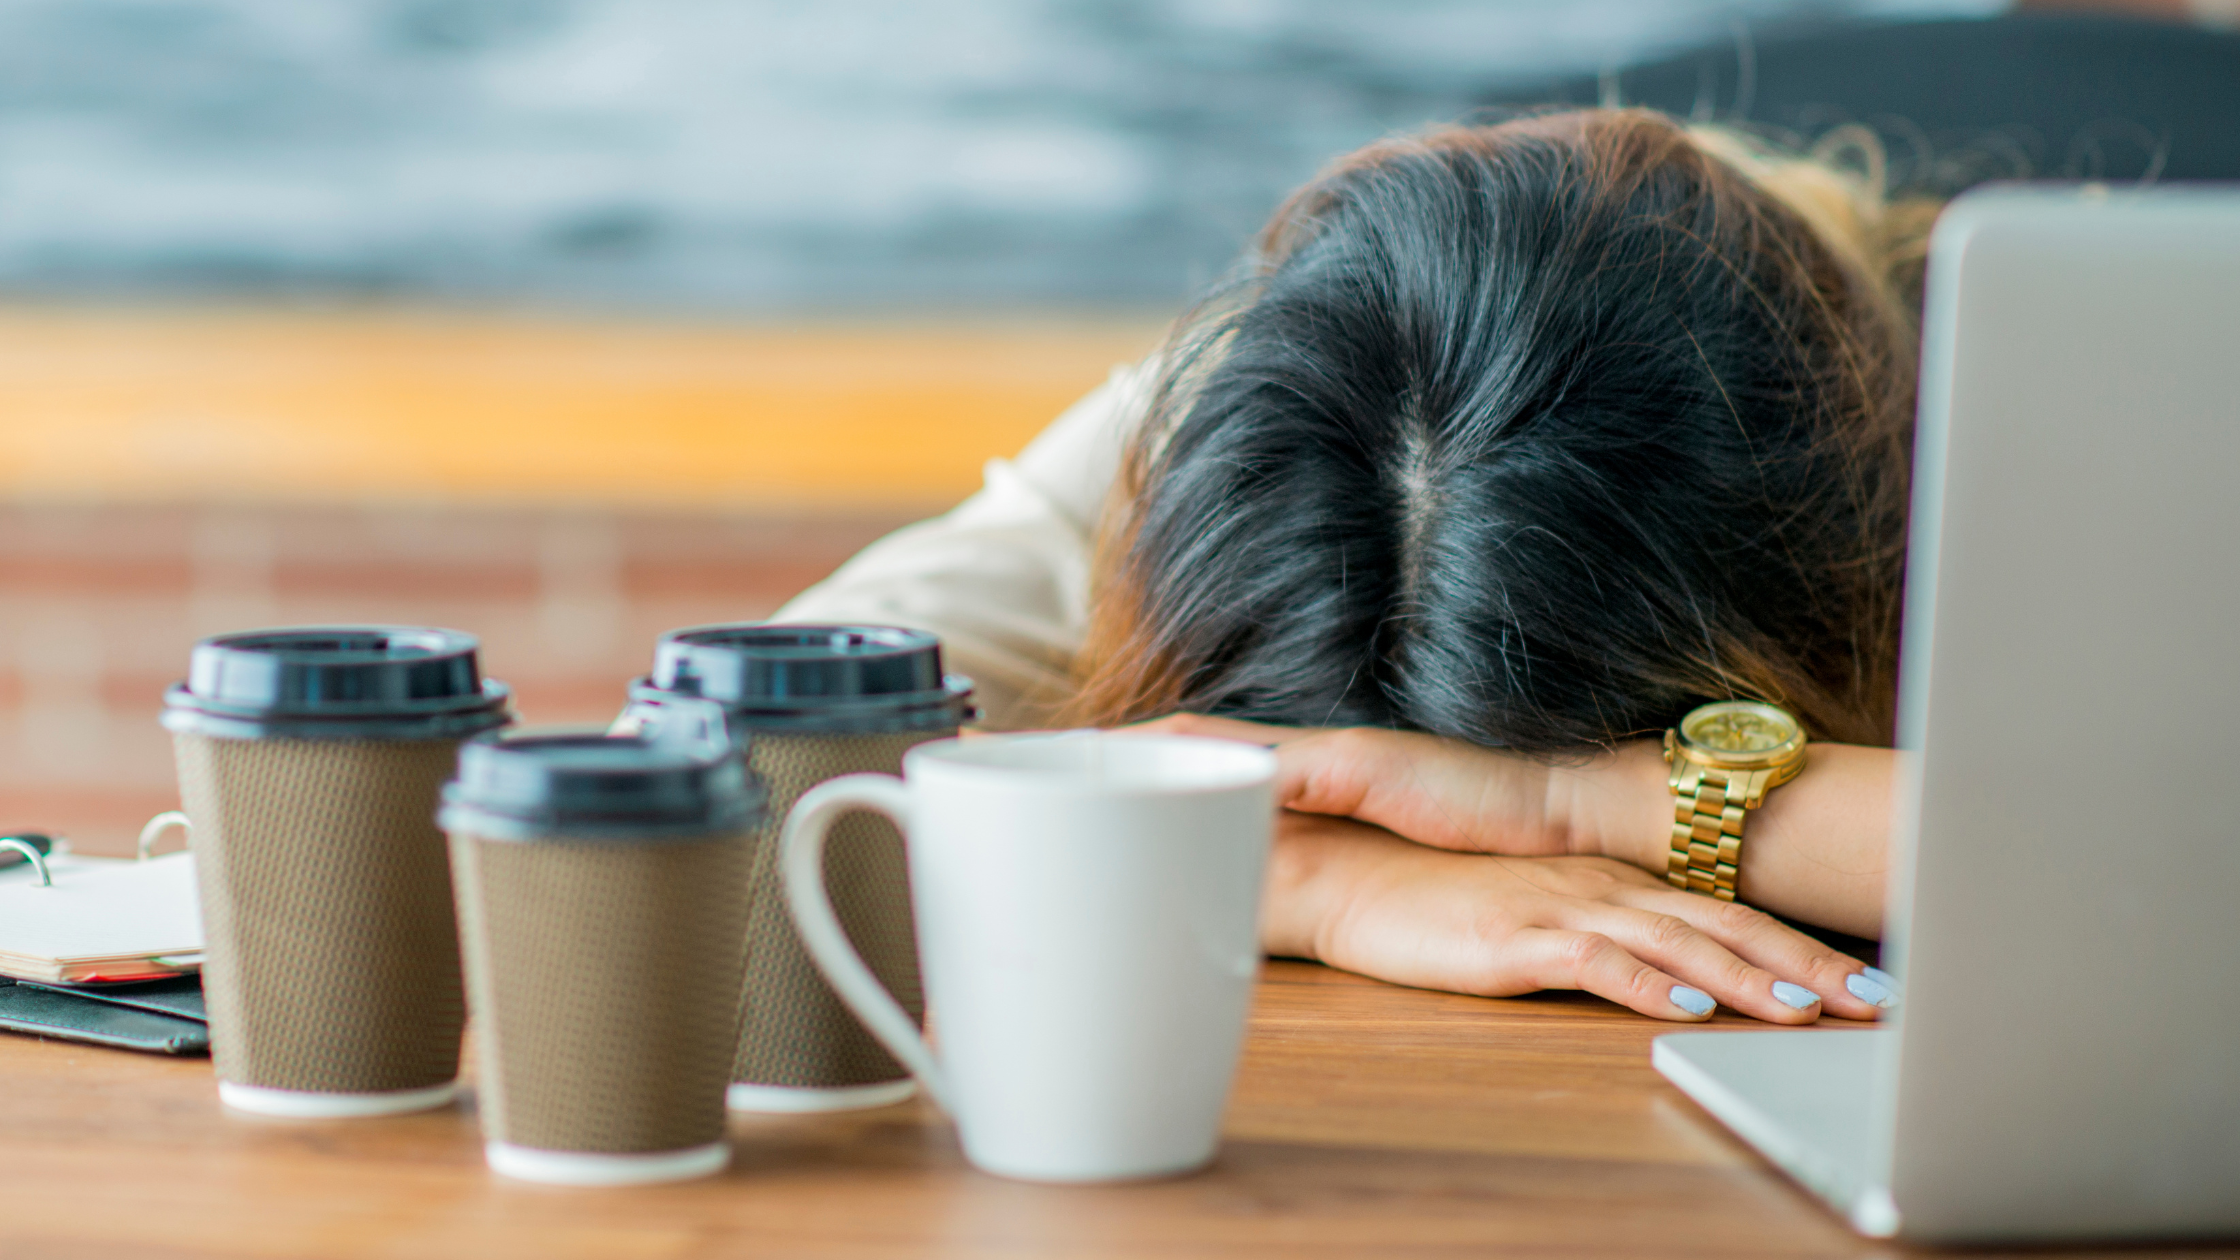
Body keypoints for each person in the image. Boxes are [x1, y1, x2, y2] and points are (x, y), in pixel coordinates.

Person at [778, 108, 1927, 1026]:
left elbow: (2060, 865)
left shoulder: (1981, 395)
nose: (1440, 843)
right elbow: (741, 757)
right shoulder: (1250, 411)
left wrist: (1570, 805)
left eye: (1423, 821)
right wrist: (1307, 880)